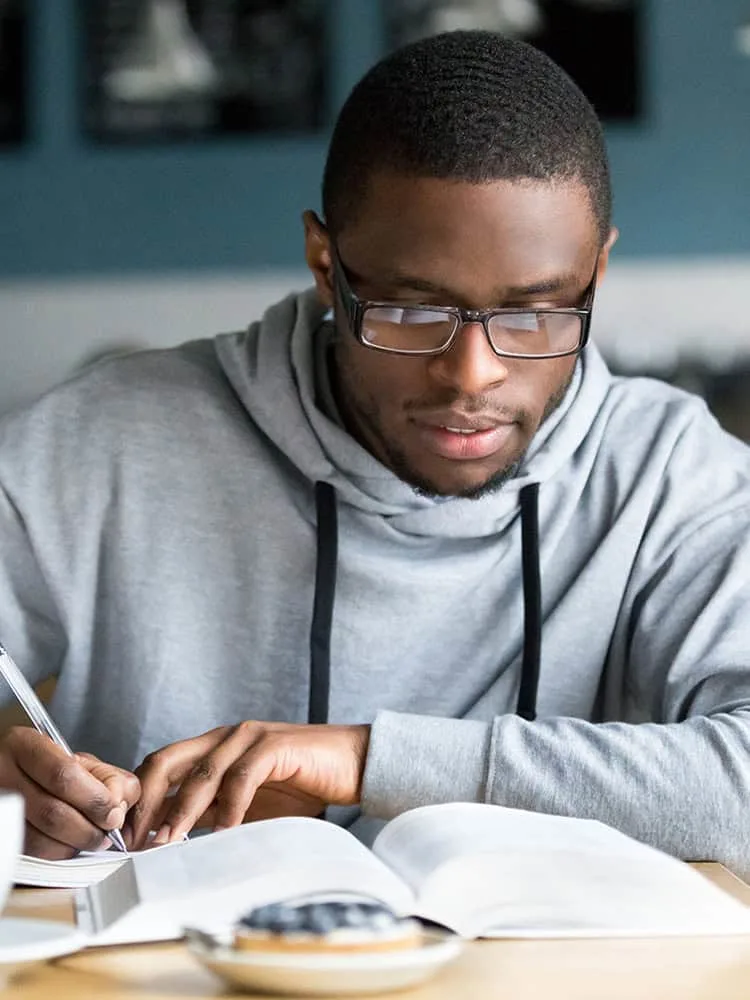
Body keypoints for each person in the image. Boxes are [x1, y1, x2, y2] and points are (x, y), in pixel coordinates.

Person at [1, 30, 750, 872]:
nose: (473, 375)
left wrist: (365, 760)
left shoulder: (671, 476)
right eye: (413, 312)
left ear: (596, 275)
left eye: (536, 316)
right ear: (328, 266)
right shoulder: (102, 441)